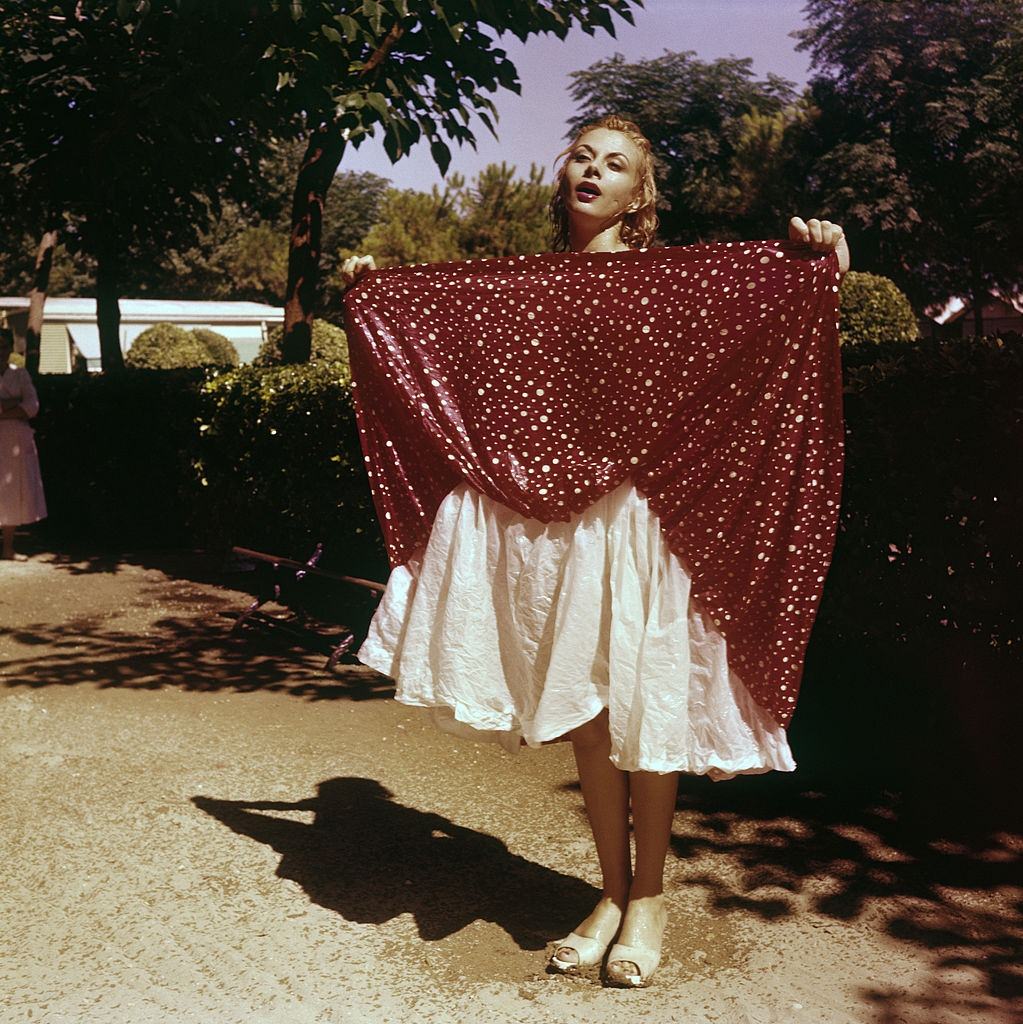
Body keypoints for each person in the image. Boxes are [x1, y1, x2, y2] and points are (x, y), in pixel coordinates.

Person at [341, 114, 850, 988]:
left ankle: (647, 900)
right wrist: (376, 294)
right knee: (584, 714)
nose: (593, 170)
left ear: (638, 195)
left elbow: (759, 328)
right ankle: (609, 896)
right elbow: (449, 351)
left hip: (632, 520)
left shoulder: (672, 280)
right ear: (562, 172)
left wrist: (822, 261)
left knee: (642, 707)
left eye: (615, 165)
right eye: (582, 155)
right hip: (552, 530)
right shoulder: (520, 285)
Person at [0, 327, 47, 560]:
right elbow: (19, 406)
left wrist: (6, 407)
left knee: (12, 491)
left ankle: (8, 547)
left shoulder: (20, 375)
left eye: (4, 346)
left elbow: (31, 406)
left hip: (15, 442)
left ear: (10, 349)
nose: (0, 351)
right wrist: (12, 404)